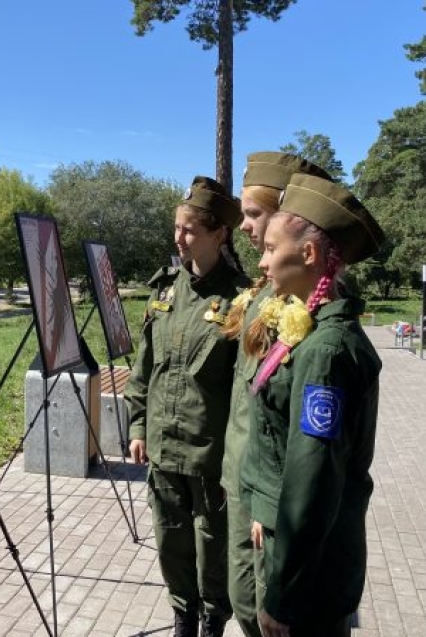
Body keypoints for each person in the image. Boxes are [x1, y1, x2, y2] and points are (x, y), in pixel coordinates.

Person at [240, 174, 385, 637]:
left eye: (270, 249)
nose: (262, 260)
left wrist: (281, 597)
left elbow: (312, 481)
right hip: (302, 557)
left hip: (310, 581)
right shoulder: (309, 327)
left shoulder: (325, 350)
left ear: (308, 254)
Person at [124, 176, 249, 637]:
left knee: (212, 544)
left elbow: (247, 388)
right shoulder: (165, 291)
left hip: (210, 455)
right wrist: (138, 427)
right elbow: (145, 368)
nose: (179, 238)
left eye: (190, 230)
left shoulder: (242, 299)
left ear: (219, 234)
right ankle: (183, 617)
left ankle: (214, 619)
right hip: (162, 447)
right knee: (170, 541)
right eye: (177, 228)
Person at [219, 152, 332, 637]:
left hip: (274, 495)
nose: (245, 226)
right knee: (244, 601)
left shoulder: (309, 302)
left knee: (272, 611)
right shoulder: (267, 292)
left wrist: (273, 503)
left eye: (253, 214)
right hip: (243, 475)